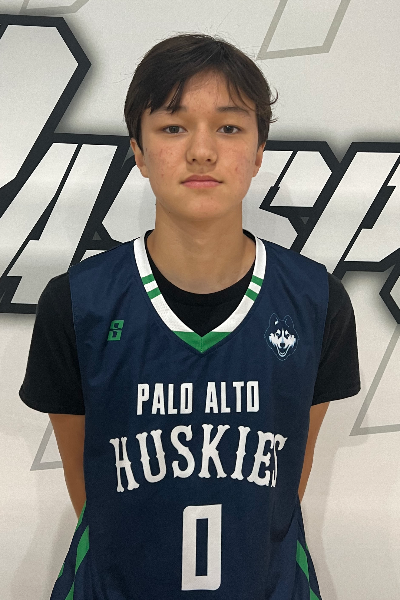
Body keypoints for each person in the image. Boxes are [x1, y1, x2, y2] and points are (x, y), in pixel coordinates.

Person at [20, 33, 360, 600]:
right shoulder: (76, 303)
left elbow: (281, 491)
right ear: (138, 151)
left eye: (228, 127)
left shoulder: (316, 300)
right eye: (173, 127)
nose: (202, 151)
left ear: (259, 151)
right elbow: (92, 492)